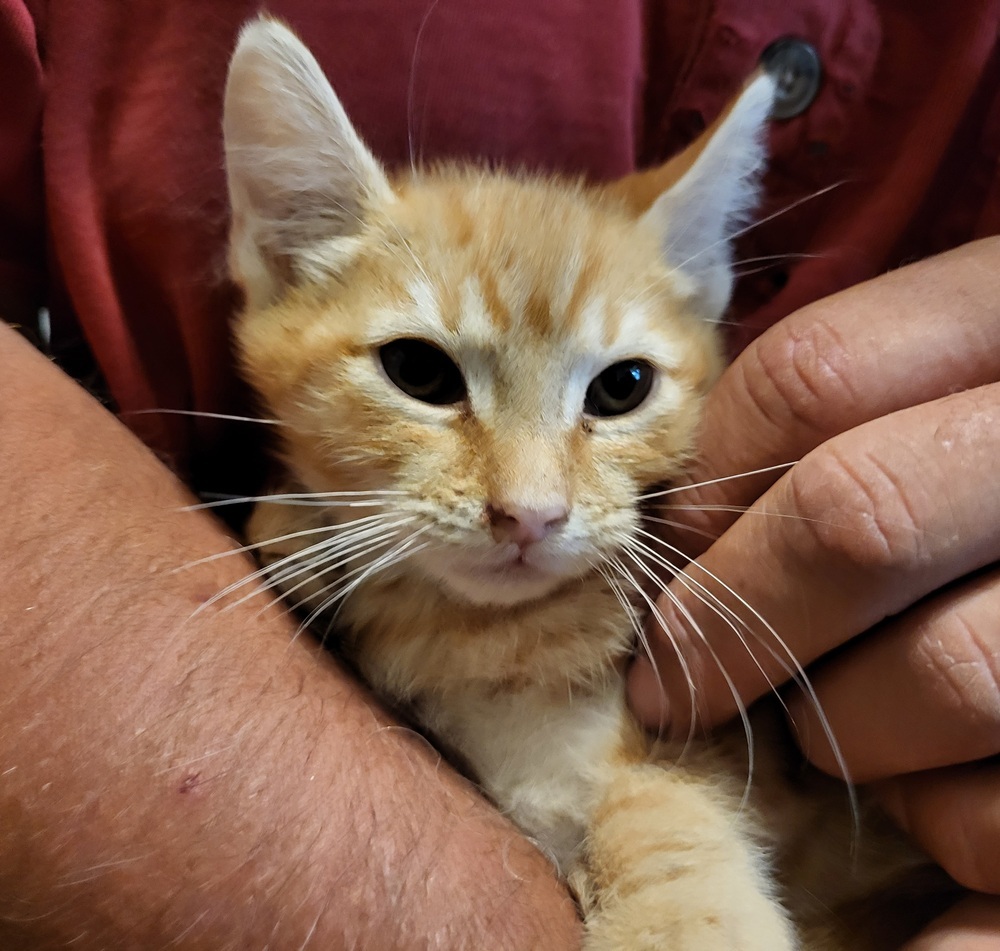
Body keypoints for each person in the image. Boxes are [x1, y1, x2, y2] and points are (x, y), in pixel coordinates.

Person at [0, 0, 997, 947]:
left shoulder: (657, 605)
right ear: (288, 263)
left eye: (615, 392)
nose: (530, 500)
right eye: (424, 371)